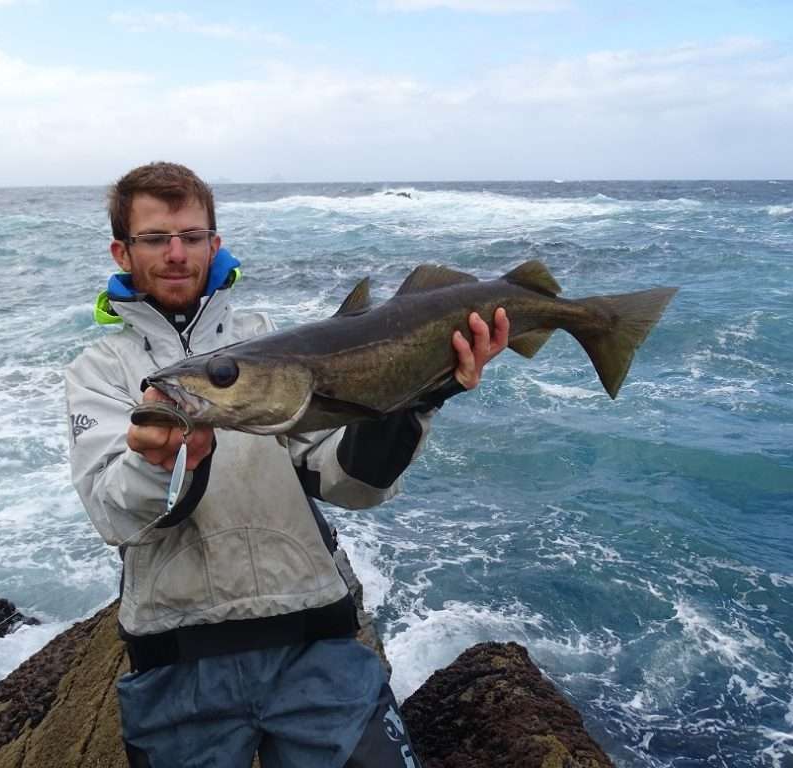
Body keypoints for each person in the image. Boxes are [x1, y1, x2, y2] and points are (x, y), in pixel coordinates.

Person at [65, 162, 509, 767]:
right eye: (155, 239)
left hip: (315, 644)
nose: (176, 253)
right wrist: (156, 467)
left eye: (192, 237)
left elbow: (347, 482)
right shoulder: (100, 372)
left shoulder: (271, 341)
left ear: (214, 244)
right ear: (122, 251)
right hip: (178, 663)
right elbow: (112, 516)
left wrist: (414, 396)